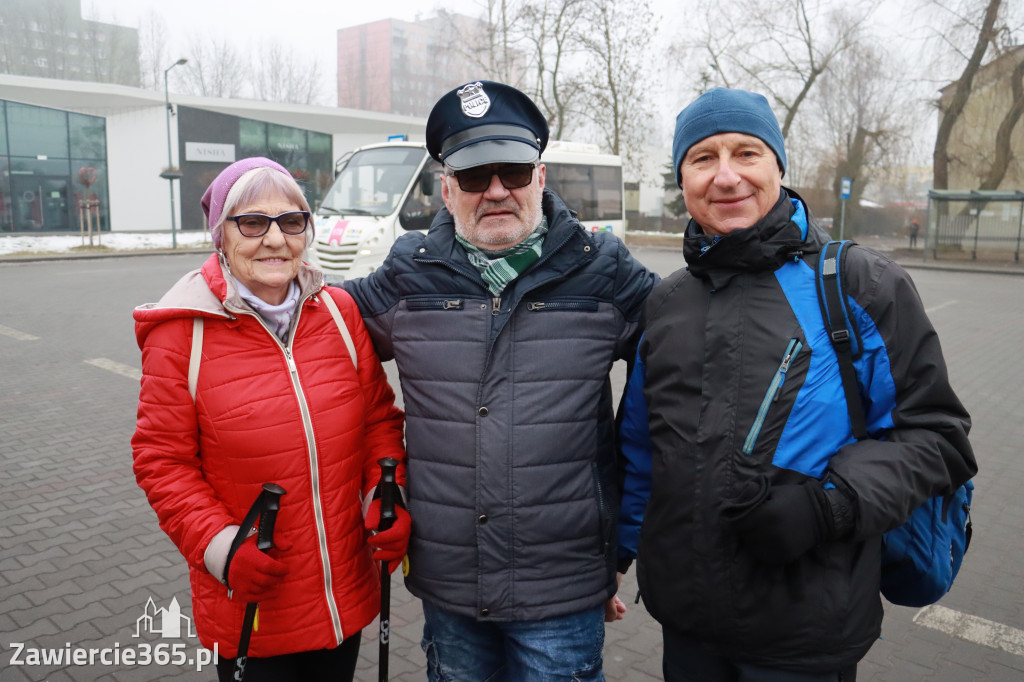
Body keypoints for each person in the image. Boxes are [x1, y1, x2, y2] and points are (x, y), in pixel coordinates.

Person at [619, 88, 977, 681]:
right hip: (685, 626)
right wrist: (618, 552)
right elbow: (640, 452)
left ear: (778, 167)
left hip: (807, 632)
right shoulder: (666, 302)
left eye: (747, 153)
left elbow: (938, 438)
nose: (726, 176)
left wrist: (828, 506)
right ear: (681, 178)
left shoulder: (861, 284)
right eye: (703, 158)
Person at [342, 80, 657, 681]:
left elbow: (692, 357)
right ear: (446, 189)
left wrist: (627, 540)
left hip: (562, 589)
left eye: (512, 172)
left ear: (540, 177)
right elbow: (313, 325)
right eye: (472, 177)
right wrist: (247, 272)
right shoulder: (410, 271)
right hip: (450, 584)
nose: (495, 192)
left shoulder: (603, 269)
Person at [131, 157, 408, 682]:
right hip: (252, 606)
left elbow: (378, 421)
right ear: (221, 236)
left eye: (292, 221)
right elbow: (161, 462)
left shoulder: (340, 314)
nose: (275, 239)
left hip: (340, 596)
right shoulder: (180, 335)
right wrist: (220, 546)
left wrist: (387, 494)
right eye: (253, 222)